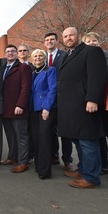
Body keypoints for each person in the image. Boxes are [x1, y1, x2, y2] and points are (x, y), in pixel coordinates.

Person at [58, 27, 107, 188]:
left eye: (71, 35)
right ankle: (84, 170)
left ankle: (91, 177)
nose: (68, 38)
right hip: (71, 107)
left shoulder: (92, 52)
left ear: (78, 36)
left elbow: (97, 77)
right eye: (65, 36)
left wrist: (92, 99)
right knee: (78, 140)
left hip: (85, 105)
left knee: (87, 141)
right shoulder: (68, 55)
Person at [43, 32, 74, 171]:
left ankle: (67, 160)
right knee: (50, 130)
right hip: (49, 101)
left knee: (65, 131)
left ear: (56, 41)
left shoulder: (64, 55)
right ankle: (53, 155)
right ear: (44, 43)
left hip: (63, 98)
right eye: (47, 40)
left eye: (52, 39)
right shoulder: (41, 58)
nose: (49, 42)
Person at [1, 44, 32, 173]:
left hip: (17, 108)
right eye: (8, 51)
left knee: (21, 137)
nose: (10, 53)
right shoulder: (2, 68)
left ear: (17, 54)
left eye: (13, 51)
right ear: (5, 54)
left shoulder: (23, 68)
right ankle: (12, 157)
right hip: (5, 109)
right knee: (11, 136)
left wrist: (20, 105)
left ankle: (23, 162)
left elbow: (26, 88)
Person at [82, 31, 108, 174]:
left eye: (94, 41)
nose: (92, 43)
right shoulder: (86, 59)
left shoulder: (105, 56)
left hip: (103, 101)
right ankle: (103, 164)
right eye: (89, 41)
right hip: (95, 102)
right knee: (99, 135)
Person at [30, 49, 57, 179]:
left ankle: (45, 171)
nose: (38, 58)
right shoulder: (32, 73)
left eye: (40, 55)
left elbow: (53, 90)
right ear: (32, 58)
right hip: (34, 110)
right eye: (35, 56)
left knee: (45, 139)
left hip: (45, 109)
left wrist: (47, 108)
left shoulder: (50, 70)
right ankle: (38, 166)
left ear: (44, 57)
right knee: (36, 139)